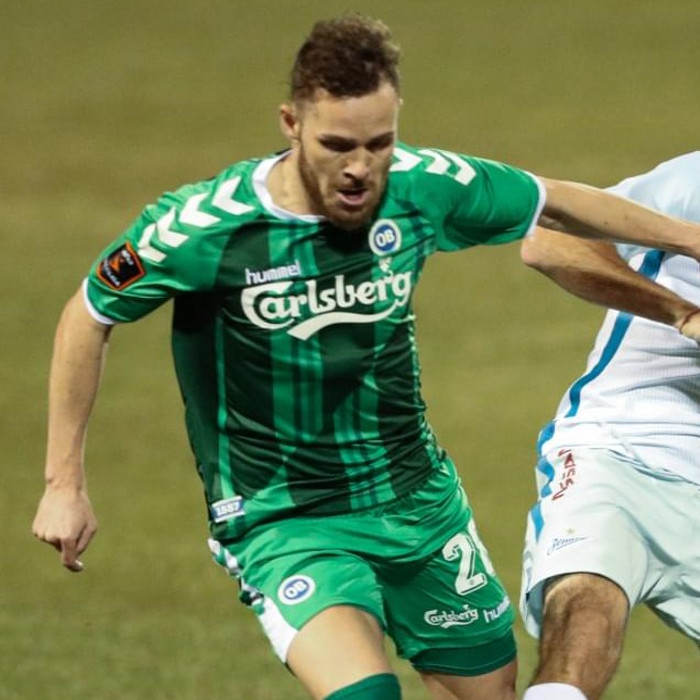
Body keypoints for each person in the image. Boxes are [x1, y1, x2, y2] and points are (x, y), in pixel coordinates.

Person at [31, 14, 700, 700]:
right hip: (285, 514)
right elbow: (89, 313)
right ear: (291, 123)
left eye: (379, 143)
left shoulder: (421, 185)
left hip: (417, 501)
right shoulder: (204, 228)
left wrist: (689, 239)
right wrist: (64, 484)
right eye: (337, 145)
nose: (359, 168)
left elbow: (555, 204)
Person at [519, 152, 700, 700]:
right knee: (586, 595)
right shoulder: (691, 183)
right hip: (625, 443)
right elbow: (551, 237)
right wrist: (682, 313)